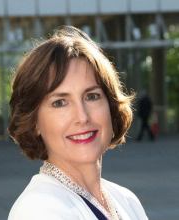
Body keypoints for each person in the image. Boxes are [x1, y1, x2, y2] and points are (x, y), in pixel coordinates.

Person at [8, 26, 148, 220]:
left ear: (110, 105)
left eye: (92, 96)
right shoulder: (39, 209)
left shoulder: (126, 200)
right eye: (60, 102)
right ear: (34, 122)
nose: (82, 117)